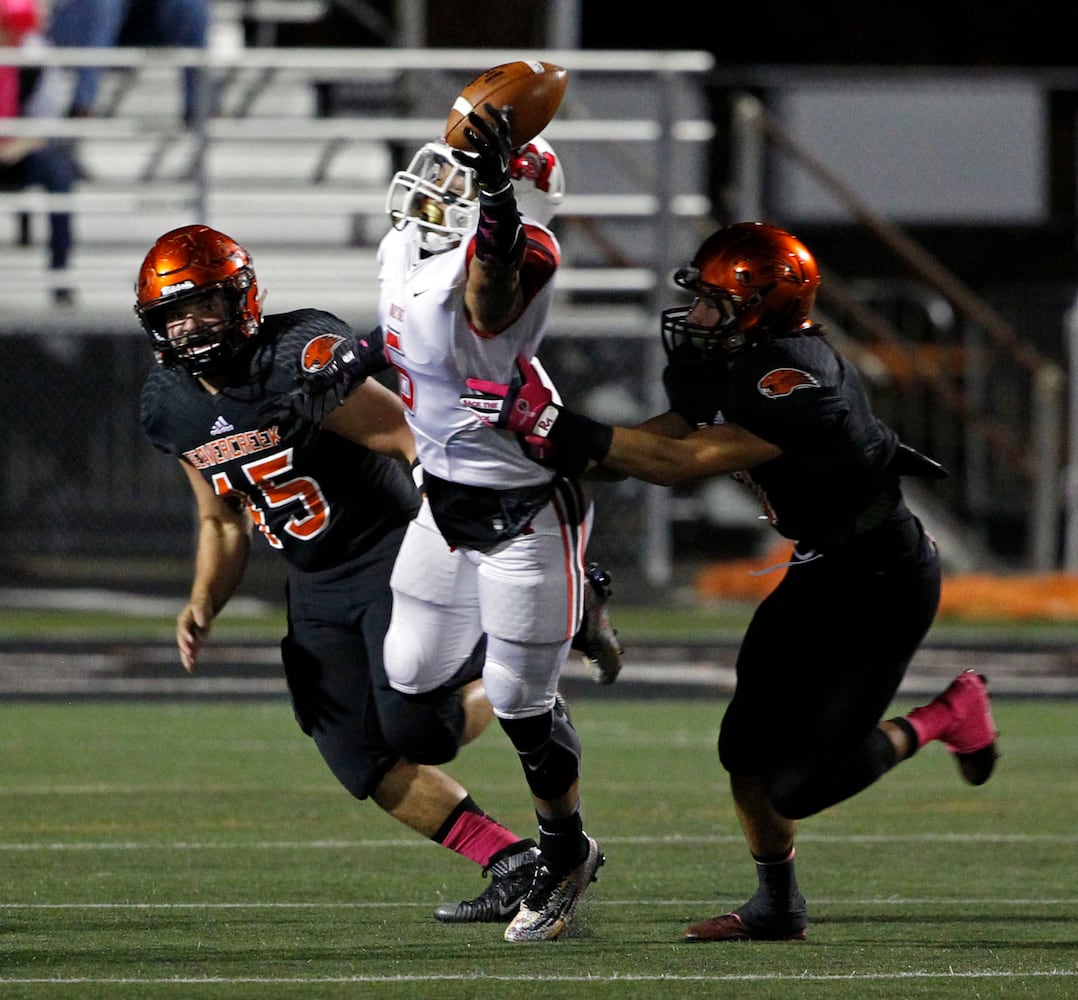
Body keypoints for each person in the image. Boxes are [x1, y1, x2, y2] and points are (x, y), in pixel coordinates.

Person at [459, 221, 999, 942]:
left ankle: (949, 714)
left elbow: (687, 462)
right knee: (743, 751)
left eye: (715, 302)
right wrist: (539, 449)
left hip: (882, 577)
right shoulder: (723, 360)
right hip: (820, 564)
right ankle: (778, 904)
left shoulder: (796, 374)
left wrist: (559, 426)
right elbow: (658, 442)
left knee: (802, 783)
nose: (699, 315)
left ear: (763, 308)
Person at [137, 222, 547, 926]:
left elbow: (405, 437)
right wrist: (203, 601)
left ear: (242, 300)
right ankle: (512, 861)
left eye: (205, 305)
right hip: (316, 580)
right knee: (357, 754)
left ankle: (531, 680)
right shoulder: (169, 403)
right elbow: (219, 520)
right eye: (176, 312)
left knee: (421, 728)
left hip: (388, 552)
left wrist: (454, 532)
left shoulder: (292, 357)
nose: (193, 325)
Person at [285, 106, 619, 942]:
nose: (438, 191)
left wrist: (500, 191)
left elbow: (490, 287)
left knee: (516, 701)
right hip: (443, 504)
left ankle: (565, 852)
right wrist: (350, 366)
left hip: (524, 511)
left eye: (463, 183)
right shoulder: (407, 252)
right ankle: (560, 629)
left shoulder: (521, 258)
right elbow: (401, 333)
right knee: (409, 673)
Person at [1, 1, 77, 303]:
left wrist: (20, 144)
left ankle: (60, 274)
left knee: (58, 173)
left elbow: (47, 120)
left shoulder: (37, 57)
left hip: (20, 150)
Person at [47, 0, 210, 123]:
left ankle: (200, 109)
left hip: (131, 22)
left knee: (191, 5)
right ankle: (82, 107)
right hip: (74, 18)